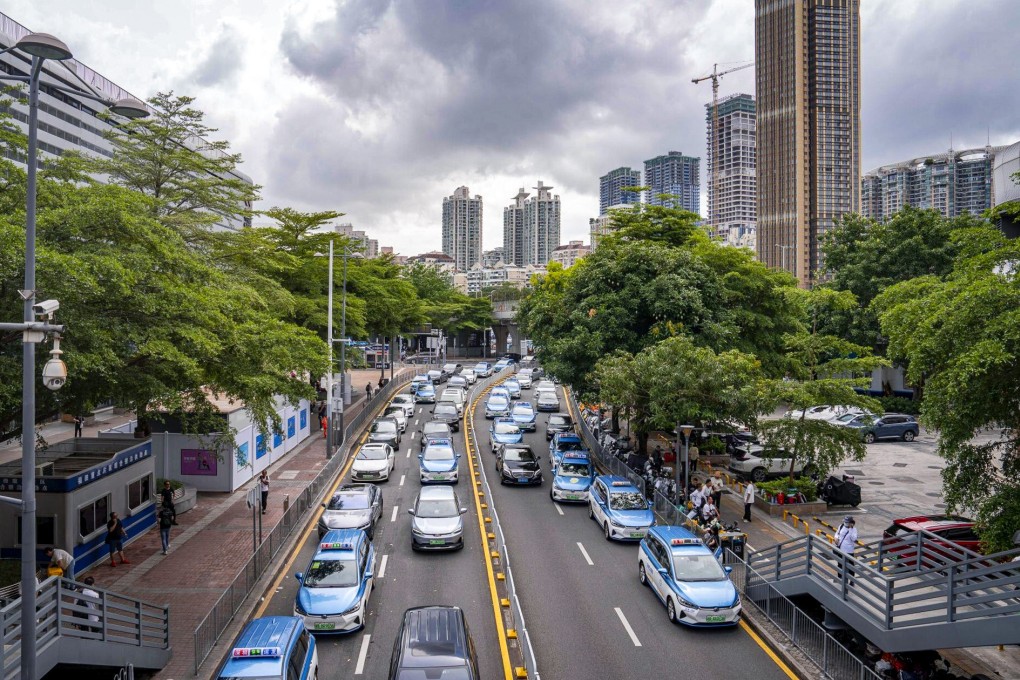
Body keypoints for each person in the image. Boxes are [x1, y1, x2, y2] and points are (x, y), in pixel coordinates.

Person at [834, 515, 858, 584]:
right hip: (840, 548)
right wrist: (836, 538)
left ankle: (852, 580)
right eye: (845, 522)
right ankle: (840, 578)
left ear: (851, 522)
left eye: (847, 522)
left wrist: (850, 529)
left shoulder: (854, 530)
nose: (845, 523)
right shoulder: (841, 526)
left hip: (849, 550)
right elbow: (837, 533)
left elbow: (854, 539)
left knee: (850, 565)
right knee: (840, 564)